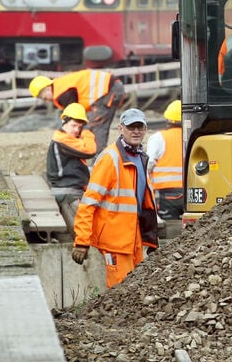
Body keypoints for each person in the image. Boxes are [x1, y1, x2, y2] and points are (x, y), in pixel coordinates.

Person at [71, 108, 159, 288]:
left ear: (145, 129)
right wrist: (81, 241)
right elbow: (89, 202)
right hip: (115, 241)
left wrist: (150, 237)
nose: (136, 131)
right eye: (131, 127)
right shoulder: (110, 158)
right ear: (120, 128)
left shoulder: (140, 158)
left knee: (134, 289)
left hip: (133, 238)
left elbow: (141, 201)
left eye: (139, 127)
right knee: (120, 290)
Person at [29, 69, 127, 149]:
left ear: (47, 89)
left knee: (95, 127)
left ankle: (98, 161)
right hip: (112, 88)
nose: (47, 101)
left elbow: (74, 114)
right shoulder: (62, 85)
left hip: (109, 90)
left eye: (45, 98)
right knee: (96, 126)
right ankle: (99, 158)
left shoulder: (61, 93)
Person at [46, 103, 97, 233]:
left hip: (66, 189)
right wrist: (87, 133)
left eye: (80, 127)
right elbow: (90, 150)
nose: (76, 130)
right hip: (68, 191)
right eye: (73, 125)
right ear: (64, 121)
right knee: (84, 228)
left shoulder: (65, 138)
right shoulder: (63, 139)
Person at [146, 100, 185, 220]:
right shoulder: (191, 136)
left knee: (168, 227)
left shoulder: (159, 138)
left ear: (168, 119)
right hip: (191, 193)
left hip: (166, 194)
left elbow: (148, 164)